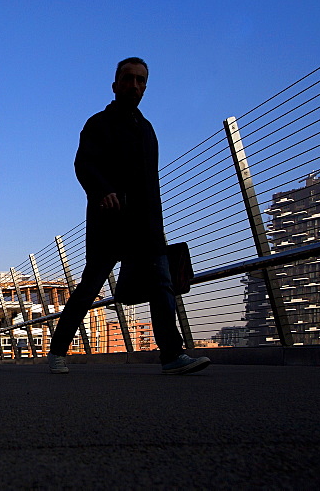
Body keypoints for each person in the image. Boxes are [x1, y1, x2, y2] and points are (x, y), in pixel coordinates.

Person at [47, 57, 210, 376]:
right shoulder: (98, 124)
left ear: (145, 87)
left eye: (141, 80)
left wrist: (158, 227)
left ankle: (172, 356)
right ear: (115, 84)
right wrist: (102, 190)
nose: (135, 85)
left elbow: (151, 184)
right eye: (129, 78)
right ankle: (57, 351)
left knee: (163, 284)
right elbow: (84, 165)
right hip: (109, 222)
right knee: (90, 288)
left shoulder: (147, 130)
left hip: (146, 226)